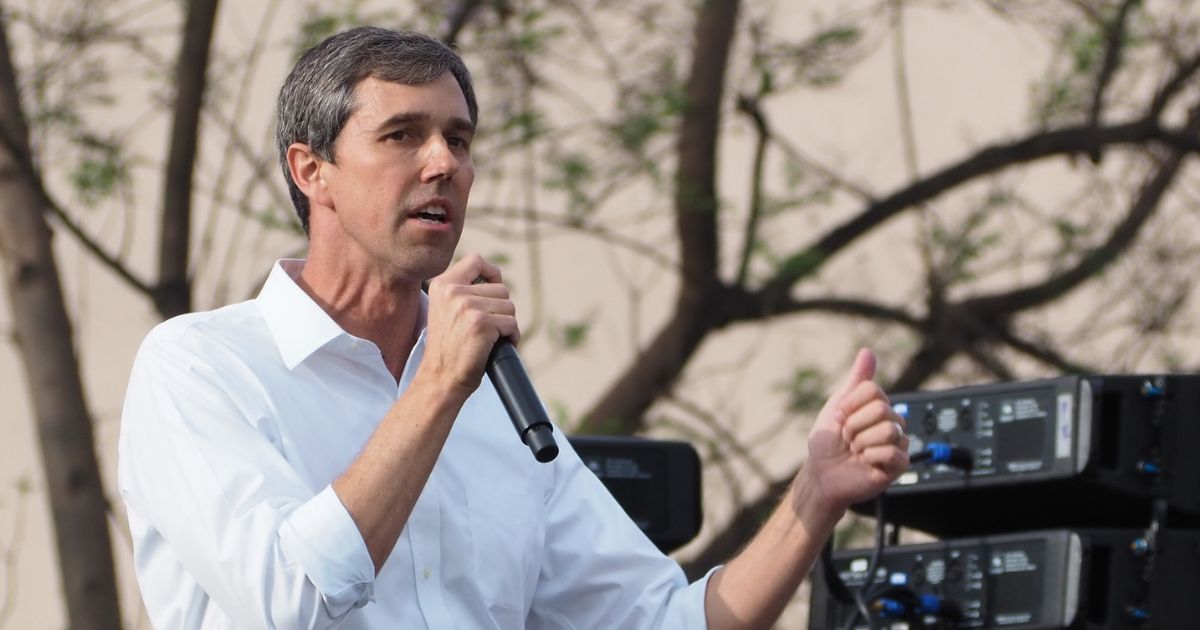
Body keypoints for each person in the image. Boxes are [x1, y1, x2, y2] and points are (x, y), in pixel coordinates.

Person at [118, 26, 909, 629]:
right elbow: (287, 603)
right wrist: (436, 390)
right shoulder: (201, 367)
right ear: (310, 169)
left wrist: (814, 496)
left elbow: (660, 619)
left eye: (458, 140)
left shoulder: (492, 397)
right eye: (403, 135)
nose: (444, 164)